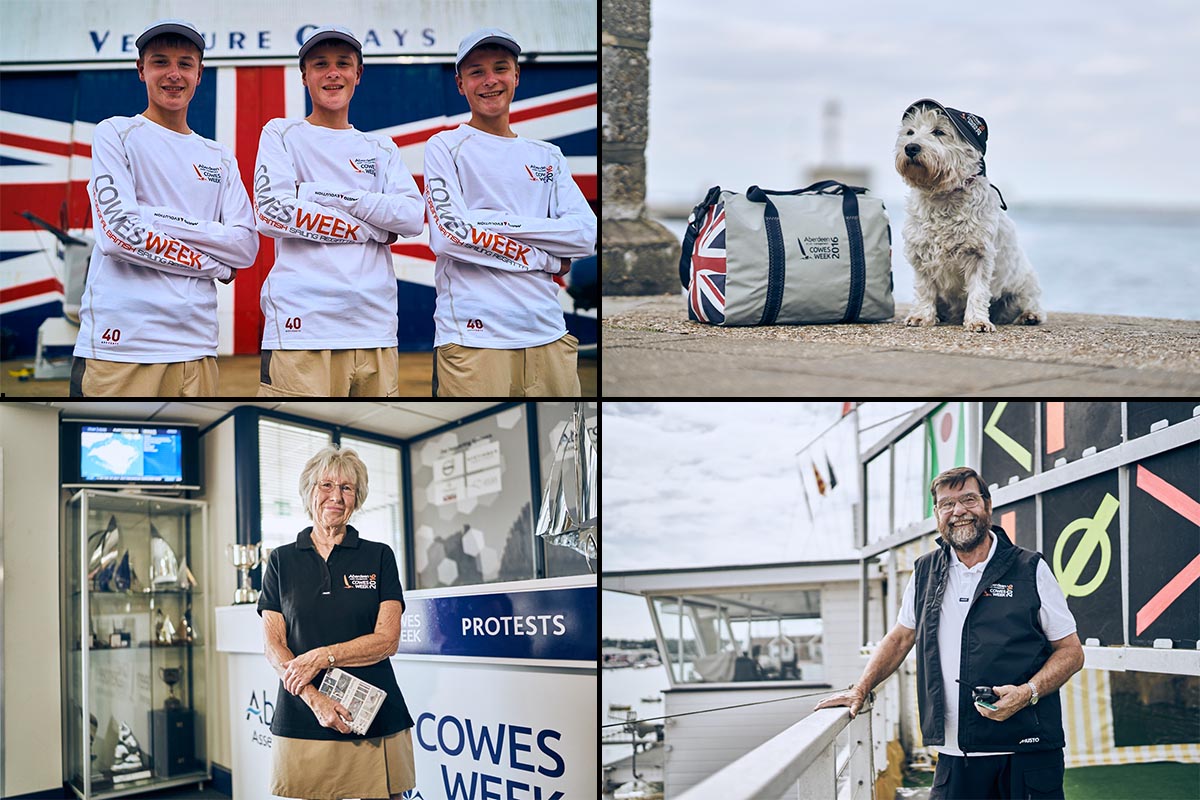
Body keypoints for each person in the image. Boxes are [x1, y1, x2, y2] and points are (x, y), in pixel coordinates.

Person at [814, 466, 1084, 800]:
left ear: (987, 505)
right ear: (937, 514)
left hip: (1026, 752)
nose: (958, 511)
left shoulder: (1030, 568)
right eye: (947, 504)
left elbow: (1071, 652)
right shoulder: (925, 571)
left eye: (968, 499)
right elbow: (900, 637)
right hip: (955, 755)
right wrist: (860, 689)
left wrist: (1027, 692)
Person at [70, 18, 258, 396]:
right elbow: (118, 237)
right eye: (160, 62)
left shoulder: (219, 157)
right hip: (121, 349)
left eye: (185, 63)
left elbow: (245, 246)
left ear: (199, 74)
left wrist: (152, 216)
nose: (173, 74)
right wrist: (215, 262)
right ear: (141, 70)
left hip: (197, 348)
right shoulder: (115, 133)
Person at [424, 28, 597, 397]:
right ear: (460, 84)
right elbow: (449, 236)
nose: (490, 81)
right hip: (473, 339)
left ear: (516, 76)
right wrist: (546, 258)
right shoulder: (445, 146)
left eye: (500, 68)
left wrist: (484, 220)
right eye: (476, 72)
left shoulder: (547, 155)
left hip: (548, 332)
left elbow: (584, 234)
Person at [254, 26, 424, 397]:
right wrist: (374, 228)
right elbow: (271, 213)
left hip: (376, 327)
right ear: (305, 76)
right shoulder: (281, 134)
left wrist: (321, 193)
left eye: (343, 64)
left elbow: (412, 217)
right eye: (320, 64)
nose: (333, 72)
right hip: (301, 331)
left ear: (357, 74)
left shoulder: (380, 147)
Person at [258, 445, 415, 800]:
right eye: (326, 485)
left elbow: (387, 640)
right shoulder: (281, 561)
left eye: (347, 488)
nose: (336, 496)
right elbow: (273, 645)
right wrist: (316, 700)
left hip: (372, 713)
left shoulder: (378, 556)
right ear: (308, 492)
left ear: (357, 498)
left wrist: (322, 656)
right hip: (304, 712)